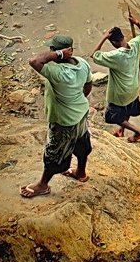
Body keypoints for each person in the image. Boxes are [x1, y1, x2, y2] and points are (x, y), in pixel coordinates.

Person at [20, 34, 93, 198]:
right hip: (80, 113)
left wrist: (58, 55)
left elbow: (34, 61)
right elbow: (88, 84)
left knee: (54, 153)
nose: (50, 51)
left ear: (57, 52)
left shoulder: (57, 72)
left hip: (64, 120)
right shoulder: (82, 64)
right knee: (82, 143)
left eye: (52, 49)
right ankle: (81, 173)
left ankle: (42, 185)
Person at [92, 13, 140, 142]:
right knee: (127, 110)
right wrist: (137, 22)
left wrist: (104, 37)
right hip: (133, 89)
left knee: (113, 117)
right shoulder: (135, 44)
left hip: (119, 94)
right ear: (123, 37)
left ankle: (138, 132)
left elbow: (94, 55)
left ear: (113, 42)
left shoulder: (116, 56)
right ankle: (121, 130)